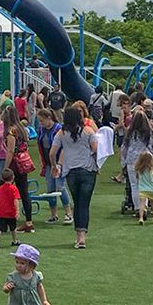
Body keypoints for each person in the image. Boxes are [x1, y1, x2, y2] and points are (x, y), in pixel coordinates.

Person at [49, 107, 98, 249]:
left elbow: (52, 153)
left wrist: (54, 166)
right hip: (88, 169)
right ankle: (82, 236)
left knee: (77, 202)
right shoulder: (88, 131)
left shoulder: (61, 133)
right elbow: (95, 149)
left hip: (70, 171)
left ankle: (78, 236)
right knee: (84, 203)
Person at [37, 109, 73, 225]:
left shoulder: (59, 129)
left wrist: (59, 164)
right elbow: (40, 145)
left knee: (60, 187)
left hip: (59, 162)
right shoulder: (42, 130)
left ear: (49, 118)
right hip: (48, 163)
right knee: (50, 189)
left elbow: (63, 147)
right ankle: (54, 215)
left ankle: (68, 213)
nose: (40, 123)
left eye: (42, 121)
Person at [3, 106, 35, 233]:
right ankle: (29, 221)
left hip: (14, 164)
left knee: (3, 189)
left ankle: (0, 219)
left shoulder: (11, 131)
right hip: (23, 163)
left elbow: (10, 151)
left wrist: (5, 168)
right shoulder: (22, 129)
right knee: (24, 192)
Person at [121, 111, 153, 214]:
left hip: (131, 159)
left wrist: (123, 160)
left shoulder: (130, 132)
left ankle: (138, 208)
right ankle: (145, 207)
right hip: (146, 159)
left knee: (134, 185)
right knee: (145, 184)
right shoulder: (149, 132)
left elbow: (124, 147)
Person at [0, 168, 21, 249]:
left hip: (1, 212)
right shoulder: (14, 188)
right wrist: (17, 211)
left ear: (2, 178)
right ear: (13, 177)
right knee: (13, 228)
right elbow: (16, 200)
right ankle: (15, 240)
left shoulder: (0, 188)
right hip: (11, 213)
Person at [134, 151, 153, 225]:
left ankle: (141, 218)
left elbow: (137, 177)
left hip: (142, 189)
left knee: (142, 204)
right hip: (151, 189)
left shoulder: (139, 169)